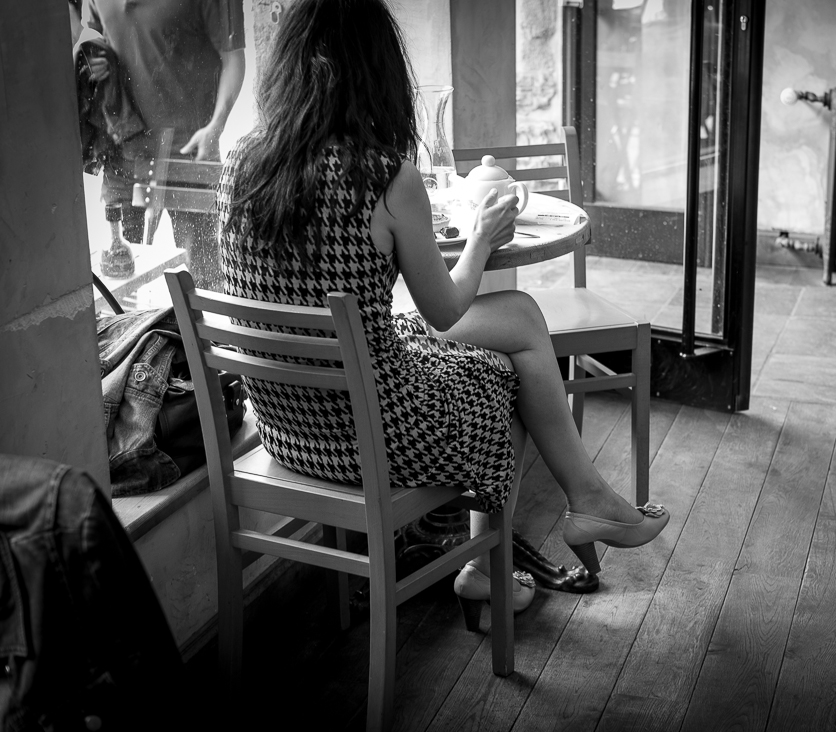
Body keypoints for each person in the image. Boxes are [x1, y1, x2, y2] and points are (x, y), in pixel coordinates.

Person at [217, 0, 669, 613]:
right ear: (378, 71)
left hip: (286, 429)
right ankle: (499, 558)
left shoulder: (241, 163)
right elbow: (446, 311)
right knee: (503, 372)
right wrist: (480, 238)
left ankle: (578, 506)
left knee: (519, 315)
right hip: (377, 433)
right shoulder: (382, 177)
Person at [82, 0, 246, 289]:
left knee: (206, 286)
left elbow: (233, 59)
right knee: (122, 283)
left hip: (190, 154)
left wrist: (216, 126)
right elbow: (94, 34)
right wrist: (90, 58)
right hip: (123, 157)